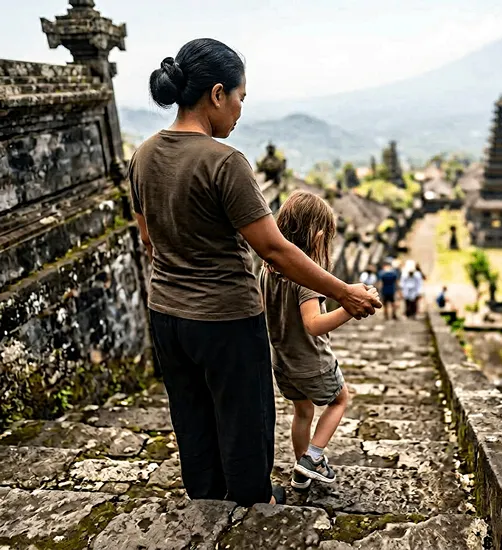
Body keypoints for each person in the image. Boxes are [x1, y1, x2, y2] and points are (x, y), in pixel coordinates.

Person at [129, 39, 381, 508]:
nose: (241, 111)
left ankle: (205, 500)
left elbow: (148, 238)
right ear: (218, 94)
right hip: (225, 318)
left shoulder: (144, 154)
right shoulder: (224, 162)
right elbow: (274, 249)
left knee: (191, 413)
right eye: (241, 98)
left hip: (165, 314)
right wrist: (345, 292)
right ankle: (250, 506)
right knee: (245, 418)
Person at [260, 191, 377, 489]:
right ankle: (312, 457)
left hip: (282, 363)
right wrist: (350, 308)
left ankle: (301, 471)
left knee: (302, 411)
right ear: (318, 237)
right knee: (339, 400)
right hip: (313, 361)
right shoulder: (307, 279)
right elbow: (314, 325)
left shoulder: (265, 270)